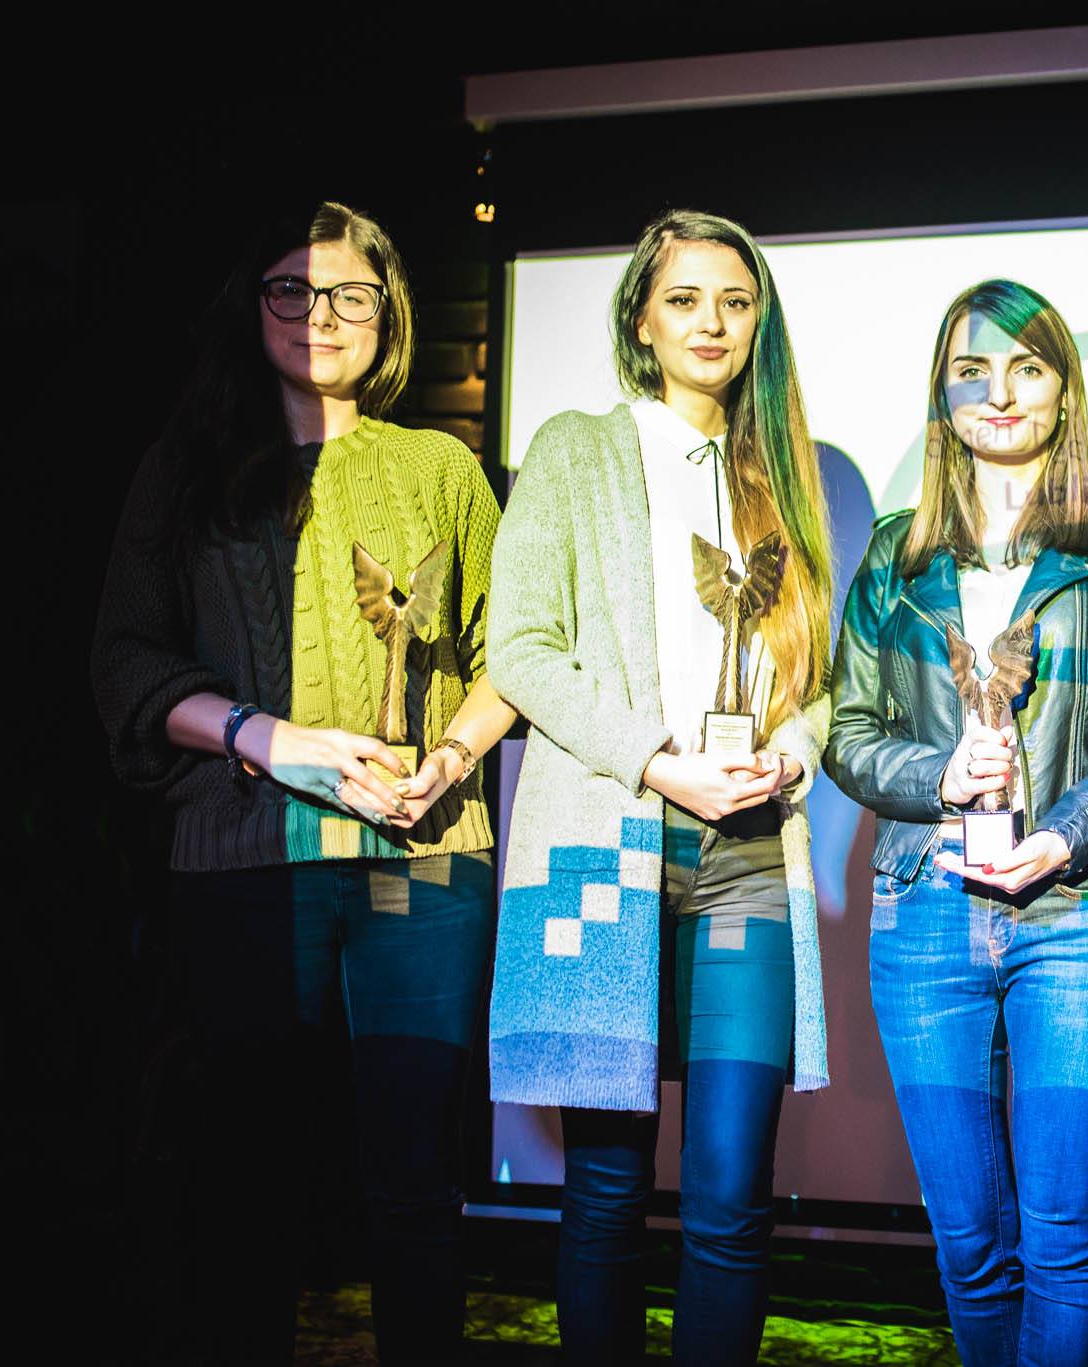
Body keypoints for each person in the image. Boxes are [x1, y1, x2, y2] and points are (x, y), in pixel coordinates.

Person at [90, 202, 513, 1365]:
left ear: (389, 313)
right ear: (252, 303)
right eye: (292, 287)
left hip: (421, 864)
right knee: (245, 1178)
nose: (320, 315)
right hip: (242, 860)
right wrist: (265, 737)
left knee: (416, 1177)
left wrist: (448, 759)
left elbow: (515, 654)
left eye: (349, 293)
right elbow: (124, 660)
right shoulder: (185, 469)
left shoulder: (439, 467)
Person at [826, 278, 1088, 1365]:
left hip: (1078, 913)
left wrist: (1071, 830)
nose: (998, 393)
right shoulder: (897, 554)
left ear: (1063, 388)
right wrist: (939, 775)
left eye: (1025, 368)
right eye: (971, 371)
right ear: (941, 397)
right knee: (967, 1244)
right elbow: (847, 732)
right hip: (923, 911)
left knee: (1061, 1237)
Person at [484, 209, 834, 1366]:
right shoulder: (575, 448)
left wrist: (793, 752)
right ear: (641, 317)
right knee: (605, 1189)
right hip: (603, 848)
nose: (710, 322)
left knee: (731, 1195)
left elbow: (824, 684)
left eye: (734, 301)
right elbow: (522, 650)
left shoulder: (783, 472)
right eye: (683, 298)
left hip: (748, 860)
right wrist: (657, 758)